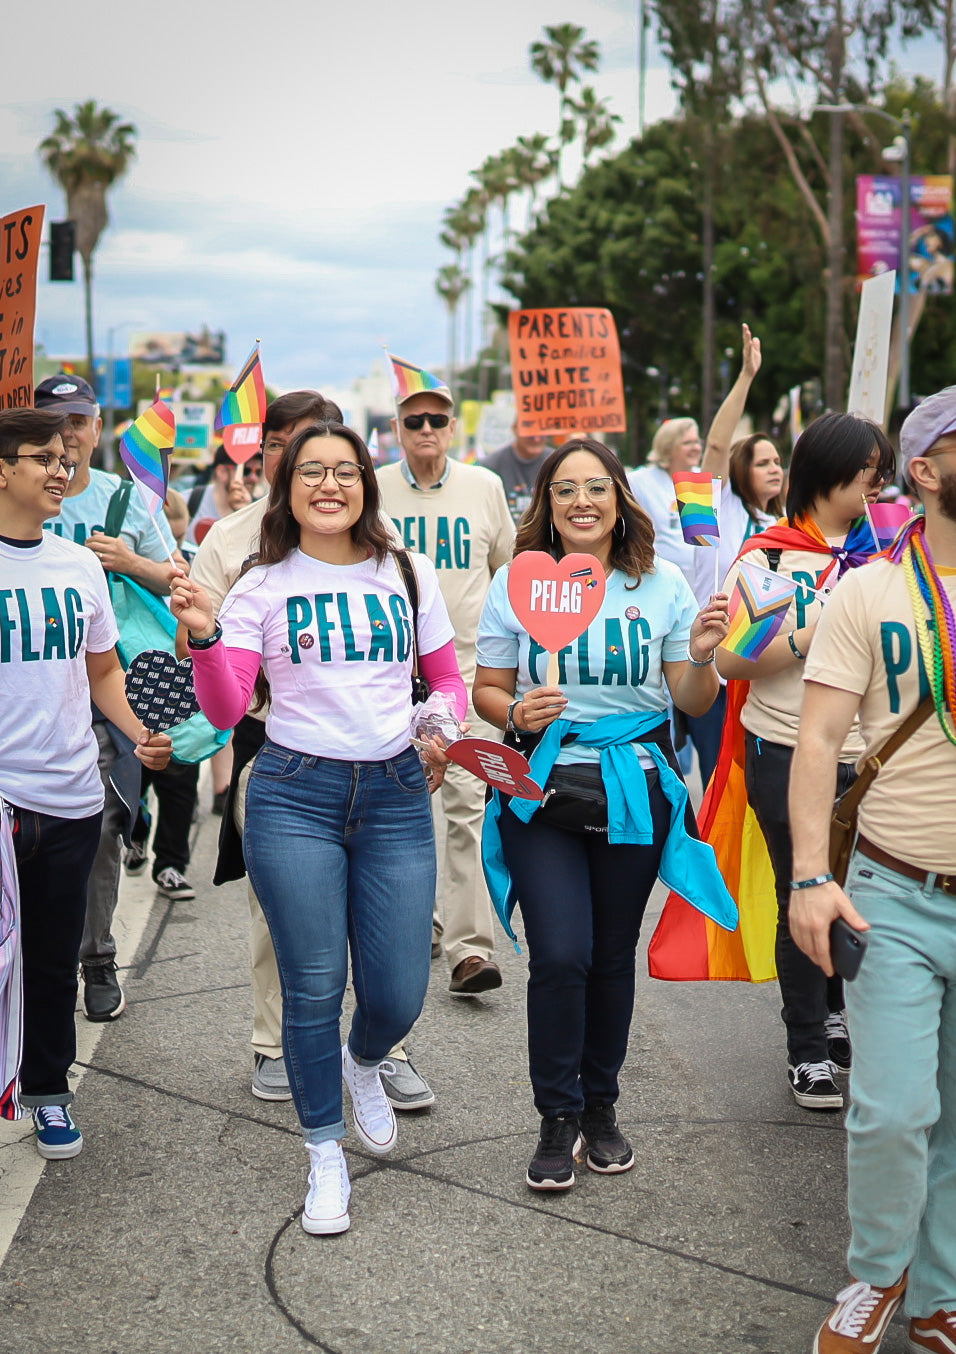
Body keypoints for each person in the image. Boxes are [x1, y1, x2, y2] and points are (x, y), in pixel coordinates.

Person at [171, 421, 465, 1236]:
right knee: (309, 989)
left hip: (398, 795)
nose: (330, 484)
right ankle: (324, 1155)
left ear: (366, 485)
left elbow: (445, 677)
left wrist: (440, 723)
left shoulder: (404, 572)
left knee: (400, 990)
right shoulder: (260, 587)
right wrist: (203, 635)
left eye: (346, 470)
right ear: (286, 486)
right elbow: (229, 709)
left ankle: (364, 1062)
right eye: (312, 472)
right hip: (294, 797)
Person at [474, 437, 731, 1191]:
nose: (581, 501)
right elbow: (489, 690)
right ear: (545, 505)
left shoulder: (666, 586)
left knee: (611, 957)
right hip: (541, 791)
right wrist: (517, 706)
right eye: (564, 490)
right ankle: (556, 1117)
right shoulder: (514, 584)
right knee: (561, 954)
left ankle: (600, 1109)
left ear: (621, 499)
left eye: (597, 487)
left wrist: (706, 655)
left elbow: (692, 702)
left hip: (636, 789)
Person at [788, 386, 956, 1354]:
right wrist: (810, 877)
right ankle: (875, 1275)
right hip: (892, 890)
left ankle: (938, 1293)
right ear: (923, 469)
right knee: (892, 1110)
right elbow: (816, 740)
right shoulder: (866, 590)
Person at [0, 408, 171, 1158]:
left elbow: (102, 668)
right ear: (2, 469)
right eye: (42, 457)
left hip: (71, 797)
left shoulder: (77, 566)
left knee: (49, 956)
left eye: (65, 457)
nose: (61, 470)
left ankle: (47, 1092)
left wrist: (139, 734)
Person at [717, 411, 895, 1113]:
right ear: (829, 476)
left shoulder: (888, 555)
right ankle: (807, 1049)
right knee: (805, 887)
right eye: (867, 473)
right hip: (785, 748)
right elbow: (734, 659)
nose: (878, 484)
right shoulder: (767, 557)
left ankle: (836, 1010)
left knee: (864, 894)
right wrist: (819, 622)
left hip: (872, 759)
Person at [181, 390, 345, 1103]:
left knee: (373, 911)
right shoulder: (229, 537)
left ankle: (383, 1048)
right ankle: (274, 1044)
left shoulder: (373, 535)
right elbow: (202, 642)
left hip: (365, 743)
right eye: (278, 445)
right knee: (275, 905)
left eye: (310, 446)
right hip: (266, 739)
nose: (294, 461)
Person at [33, 374, 183, 1021]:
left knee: (98, 829)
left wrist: (130, 561)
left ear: (98, 427)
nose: (68, 433)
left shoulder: (130, 501)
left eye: (78, 420)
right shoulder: (19, 497)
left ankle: (95, 956)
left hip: (106, 688)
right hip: (30, 694)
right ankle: (32, 959)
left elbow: (180, 583)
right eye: (54, 421)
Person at [378, 377, 514, 994]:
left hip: (467, 679)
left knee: (466, 810)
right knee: (407, 810)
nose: (427, 431)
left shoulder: (484, 488)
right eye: (415, 422)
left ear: (453, 427)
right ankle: (419, 924)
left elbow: (507, 577)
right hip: (389, 684)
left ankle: (470, 950)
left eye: (437, 420)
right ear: (397, 430)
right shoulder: (372, 490)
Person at [689, 323, 784, 787]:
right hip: (701, 663)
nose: (775, 470)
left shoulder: (783, 528)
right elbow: (715, 445)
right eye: (763, 461)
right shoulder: (711, 508)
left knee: (744, 788)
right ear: (741, 469)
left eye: (778, 462)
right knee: (707, 783)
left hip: (754, 670)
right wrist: (746, 377)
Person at [185, 446, 262, 546]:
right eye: (245, 471)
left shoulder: (261, 513)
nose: (254, 478)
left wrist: (245, 514)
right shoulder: (187, 502)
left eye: (258, 472)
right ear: (222, 472)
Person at [483, 422, 551, 525]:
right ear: (515, 428)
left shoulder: (558, 463)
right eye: (530, 433)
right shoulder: (491, 465)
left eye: (542, 433)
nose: (536, 439)